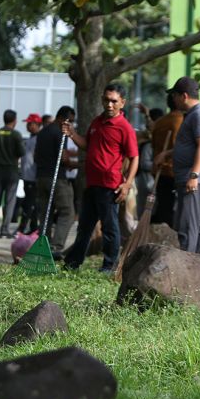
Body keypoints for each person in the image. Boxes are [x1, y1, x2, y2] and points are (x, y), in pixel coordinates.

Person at [63, 84, 139, 272]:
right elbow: (87, 145)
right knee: (84, 227)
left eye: (114, 101)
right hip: (92, 183)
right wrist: (72, 134)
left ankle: (109, 265)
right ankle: (73, 263)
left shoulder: (125, 127)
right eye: (106, 100)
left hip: (110, 185)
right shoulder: (97, 122)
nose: (109, 104)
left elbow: (134, 157)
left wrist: (127, 184)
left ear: (122, 102)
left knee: (110, 227)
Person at [155, 77, 200, 256]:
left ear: (184, 96)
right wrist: (168, 153)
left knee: (187, 224)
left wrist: (194, 176)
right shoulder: (191, 116)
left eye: (174, 95)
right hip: (190, 176)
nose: (173, 100)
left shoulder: (199, 115)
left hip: (193, 178)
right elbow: (189, 145)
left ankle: (187, 266)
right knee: (199, 223)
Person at [34, 106, 77, 259]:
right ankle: (55, 247)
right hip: (57, 178)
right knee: (67, 212)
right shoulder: (60, 132)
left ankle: (43, 245)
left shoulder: (43, 131)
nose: (71, 124)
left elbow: (36, 155)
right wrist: (79, 164)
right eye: (70, 121)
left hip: (41, 176)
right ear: (62, 119)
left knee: (45, 213)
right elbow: (64, 158)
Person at [0, 110, 25, 238]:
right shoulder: (16, 134)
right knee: (10, 201)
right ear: (14, 120)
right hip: (12, 171)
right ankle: (5, 230)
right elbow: (21, 152)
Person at [150, 93, 183, 226]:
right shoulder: (180, 120)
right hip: (174, 171)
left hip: (159, 170)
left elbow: (153, 145)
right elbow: (179, 147)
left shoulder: (160, 122)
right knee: (171, 209)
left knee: (163, 205)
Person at [18, 113, 42, 234]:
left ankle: (23, 227)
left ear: (37, 124)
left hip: (33, 177)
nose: (27, 126)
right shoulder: (30, 138)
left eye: (30, 123)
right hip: (27, 176)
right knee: (29, 202)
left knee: (30, 203)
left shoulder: (39, 139)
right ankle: (33, 227)